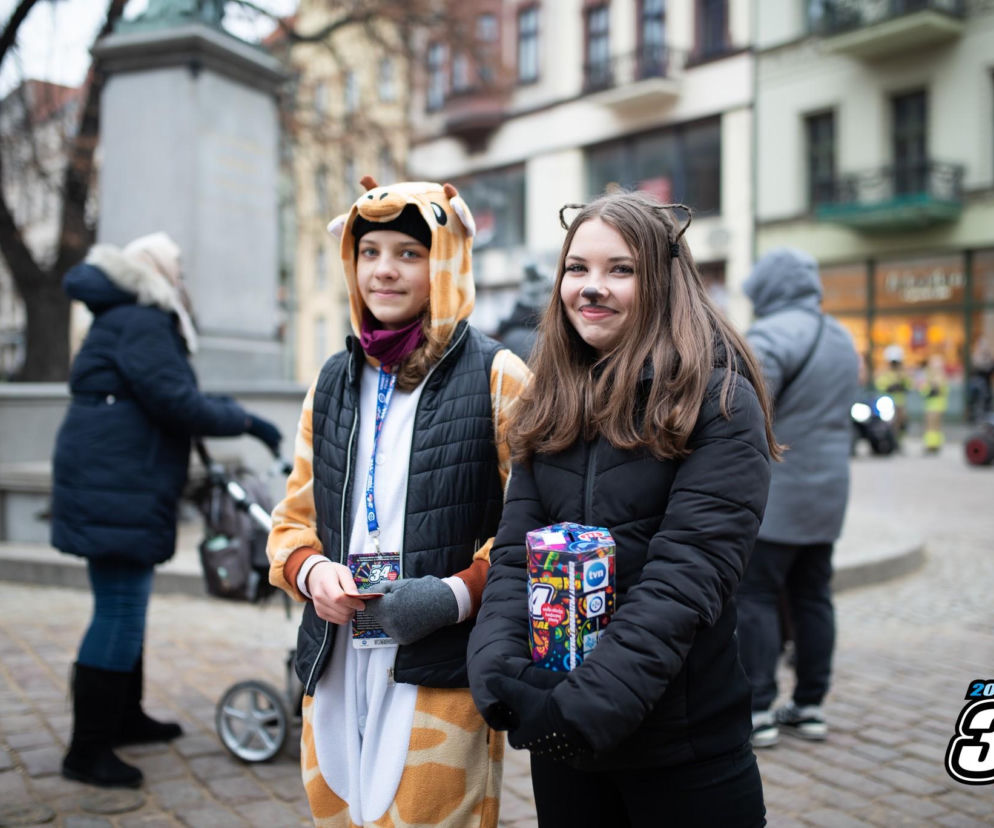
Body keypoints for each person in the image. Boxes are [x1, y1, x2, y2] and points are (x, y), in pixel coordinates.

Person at [466, 191, 778, 828]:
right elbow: (513, 555)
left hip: (682, 746)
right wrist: (498, 674)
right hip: (567, 740)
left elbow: (685, 579)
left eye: (620, 269)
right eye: (576, 269)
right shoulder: (549, 398)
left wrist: (583, 706)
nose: (591, 288)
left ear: (662, 281)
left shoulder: (718, 400)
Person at [267, 178, 530, 827]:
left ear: (443, 259)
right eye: (370, 251)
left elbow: (535, 531)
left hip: (442, 666)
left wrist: (453, 595)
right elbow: (290, 525)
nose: (384, 270)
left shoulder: (500, 376)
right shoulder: (332, 380)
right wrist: (310, 572)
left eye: (409, 253)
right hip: (335, 658)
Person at [50, 232, 283, 788]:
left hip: (114, 478)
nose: (183, 279)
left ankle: (123, 719)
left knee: (125, 607)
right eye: (177, 269)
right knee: (119, 611)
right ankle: (87, 751)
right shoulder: (143, 318)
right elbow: (176, 400)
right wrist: (249, 422)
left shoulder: (124, 316)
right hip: (117, 483)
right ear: (155, 272)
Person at [734, 247, 860, 749]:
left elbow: (742, 412)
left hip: (777, 493)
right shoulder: (841, 337)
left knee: (757, 598)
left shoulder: (769, 337)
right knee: (813, 596)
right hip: (829, 492)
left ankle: (759, 708)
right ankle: (810, 704)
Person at [875, 344, 911, 437]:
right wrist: (889, 387)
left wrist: (902, 386)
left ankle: (898, 438)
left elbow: (908, 384)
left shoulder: (902, 373)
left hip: (900, 402)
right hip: (887, 403)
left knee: (901, 421)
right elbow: (880, 384)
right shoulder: (885, 372)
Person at [920, 353, 949, 454]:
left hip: (936, 405)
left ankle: (932, 445)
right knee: (932, 426)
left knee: (933, 426)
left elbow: (940, 390)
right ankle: (933, 444)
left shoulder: (939, 377)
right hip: (931, 405)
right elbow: (924, 390)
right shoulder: (931, 377)